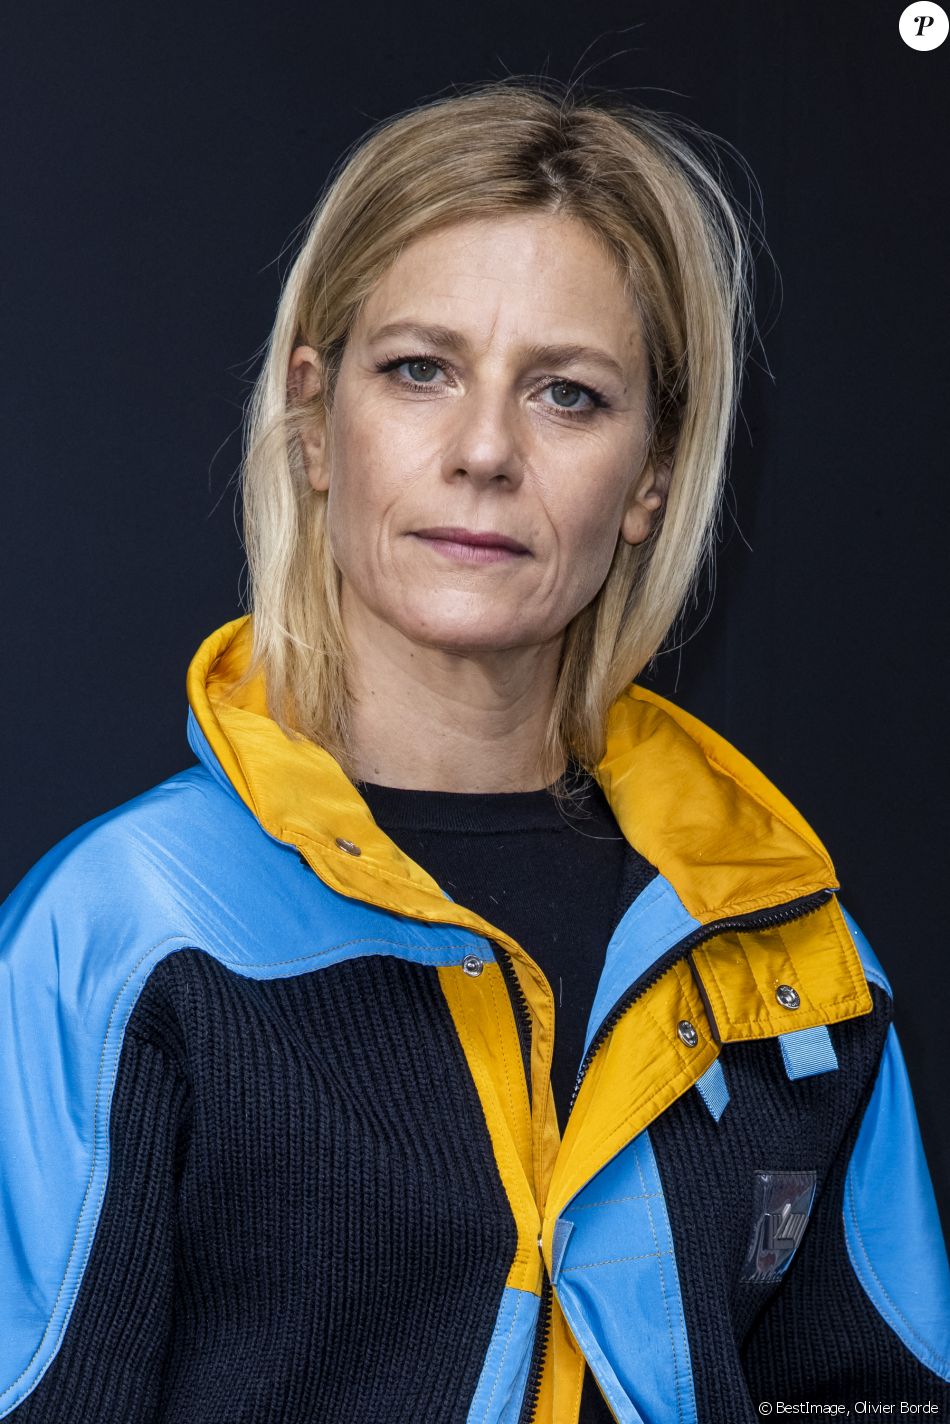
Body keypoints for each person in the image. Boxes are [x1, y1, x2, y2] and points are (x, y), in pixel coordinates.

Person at [0, 78, 947, 1424]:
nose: (486, 451)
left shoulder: (788, 959)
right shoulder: (118, 936)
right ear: (313, 421)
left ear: (652, 478)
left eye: (567, 394)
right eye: (420, 371)